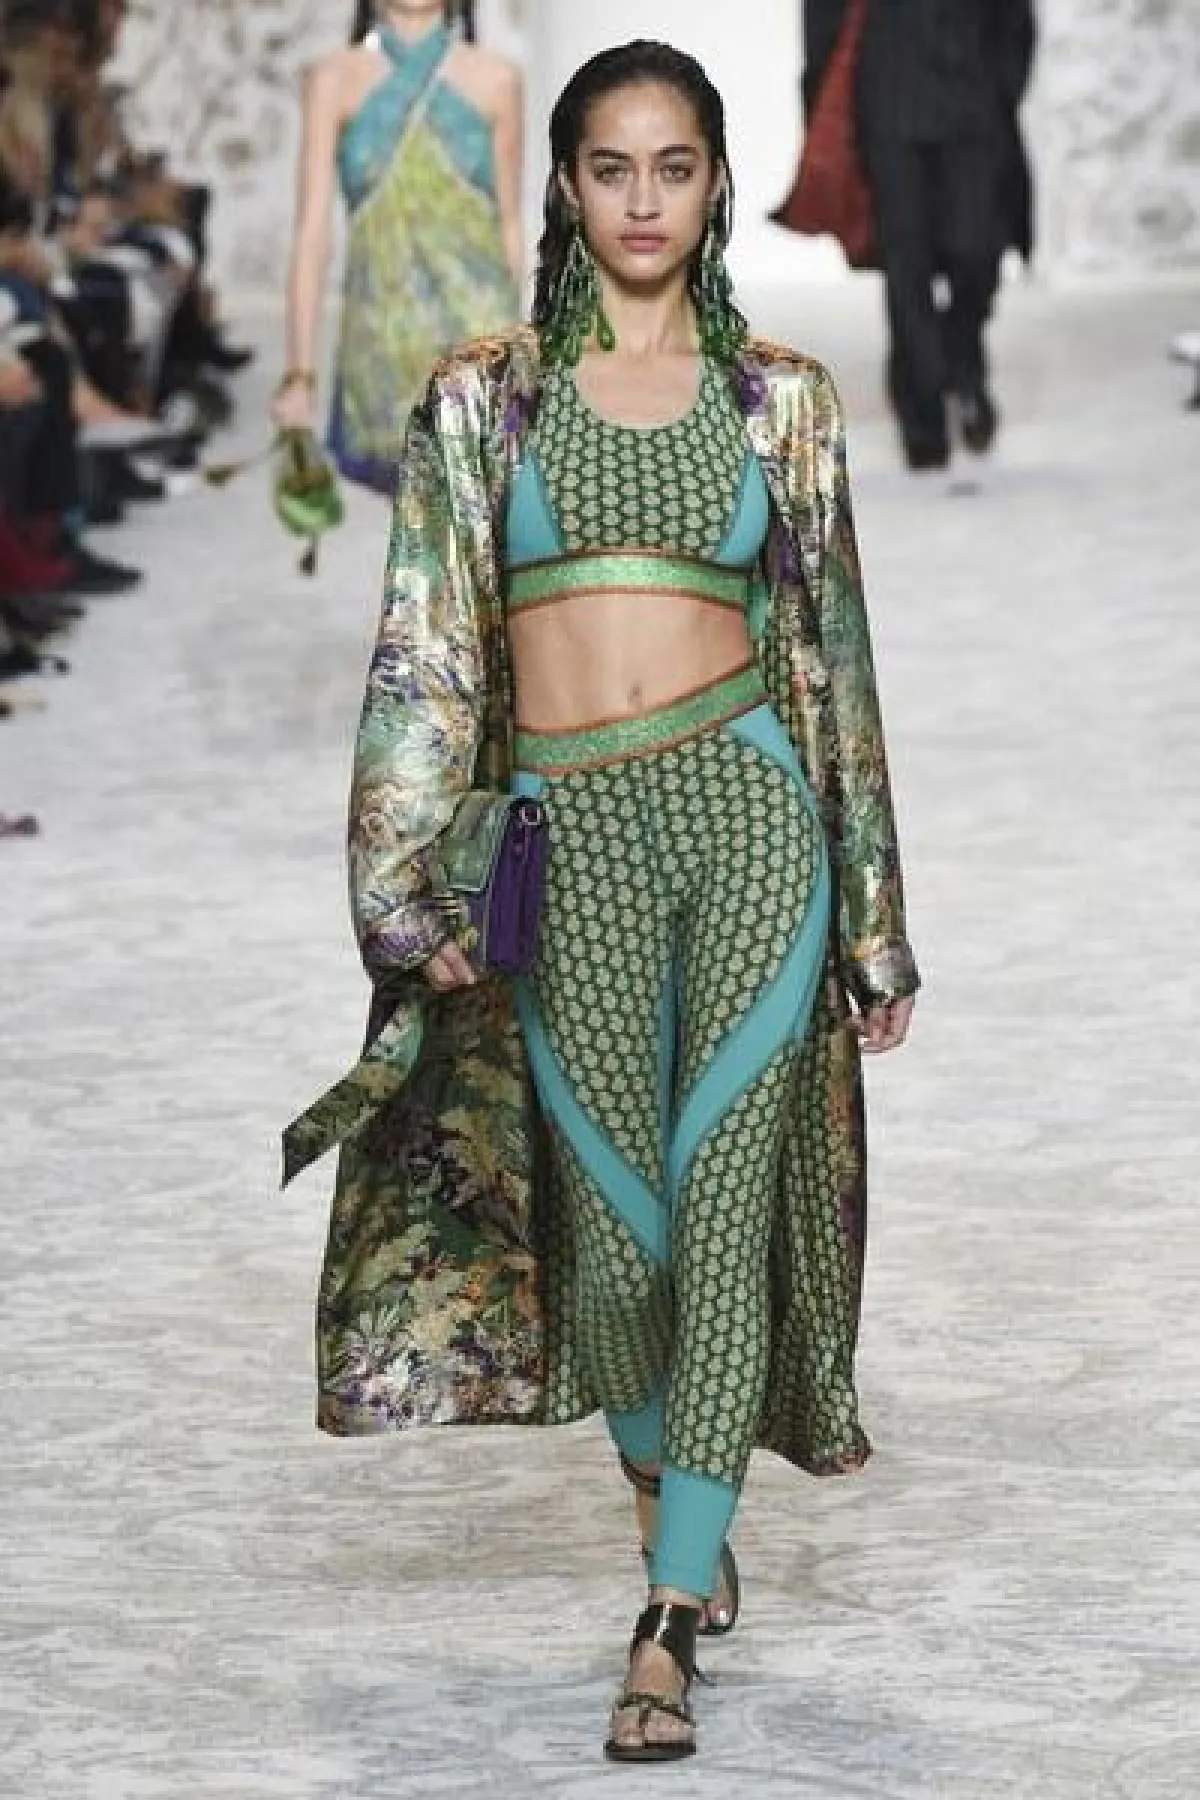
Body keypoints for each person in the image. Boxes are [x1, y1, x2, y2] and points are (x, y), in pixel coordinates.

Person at [283, 38, 919, 1764]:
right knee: (616, 1242)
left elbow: (834, 658)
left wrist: (873, 915)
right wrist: (403, 888)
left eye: (677, 167)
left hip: (749, 821)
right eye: (614, 168)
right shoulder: (483, 397)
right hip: (570, 845)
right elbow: (426, 653)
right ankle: (676, 1497)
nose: (646, 200)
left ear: (716, 185)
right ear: (566, 186)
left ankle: (667, 1614)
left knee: (720, 1209)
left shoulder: (781, 397)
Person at [272, 0, 523, 493]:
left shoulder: (498, 79)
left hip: (479, 334)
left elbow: (509, 223)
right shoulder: (331, 79)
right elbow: (312, 232)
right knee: (413, 517)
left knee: (471, 516)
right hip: (380, 343)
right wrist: (300, 373)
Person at [803, 0, 1035, 469]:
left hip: (973, 101)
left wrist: (1003, 86)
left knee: (976, 252)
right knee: (906, 264)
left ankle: (962, 360)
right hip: (889, 101)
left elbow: (1015, 18)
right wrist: (824, 101)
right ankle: (922, 414)